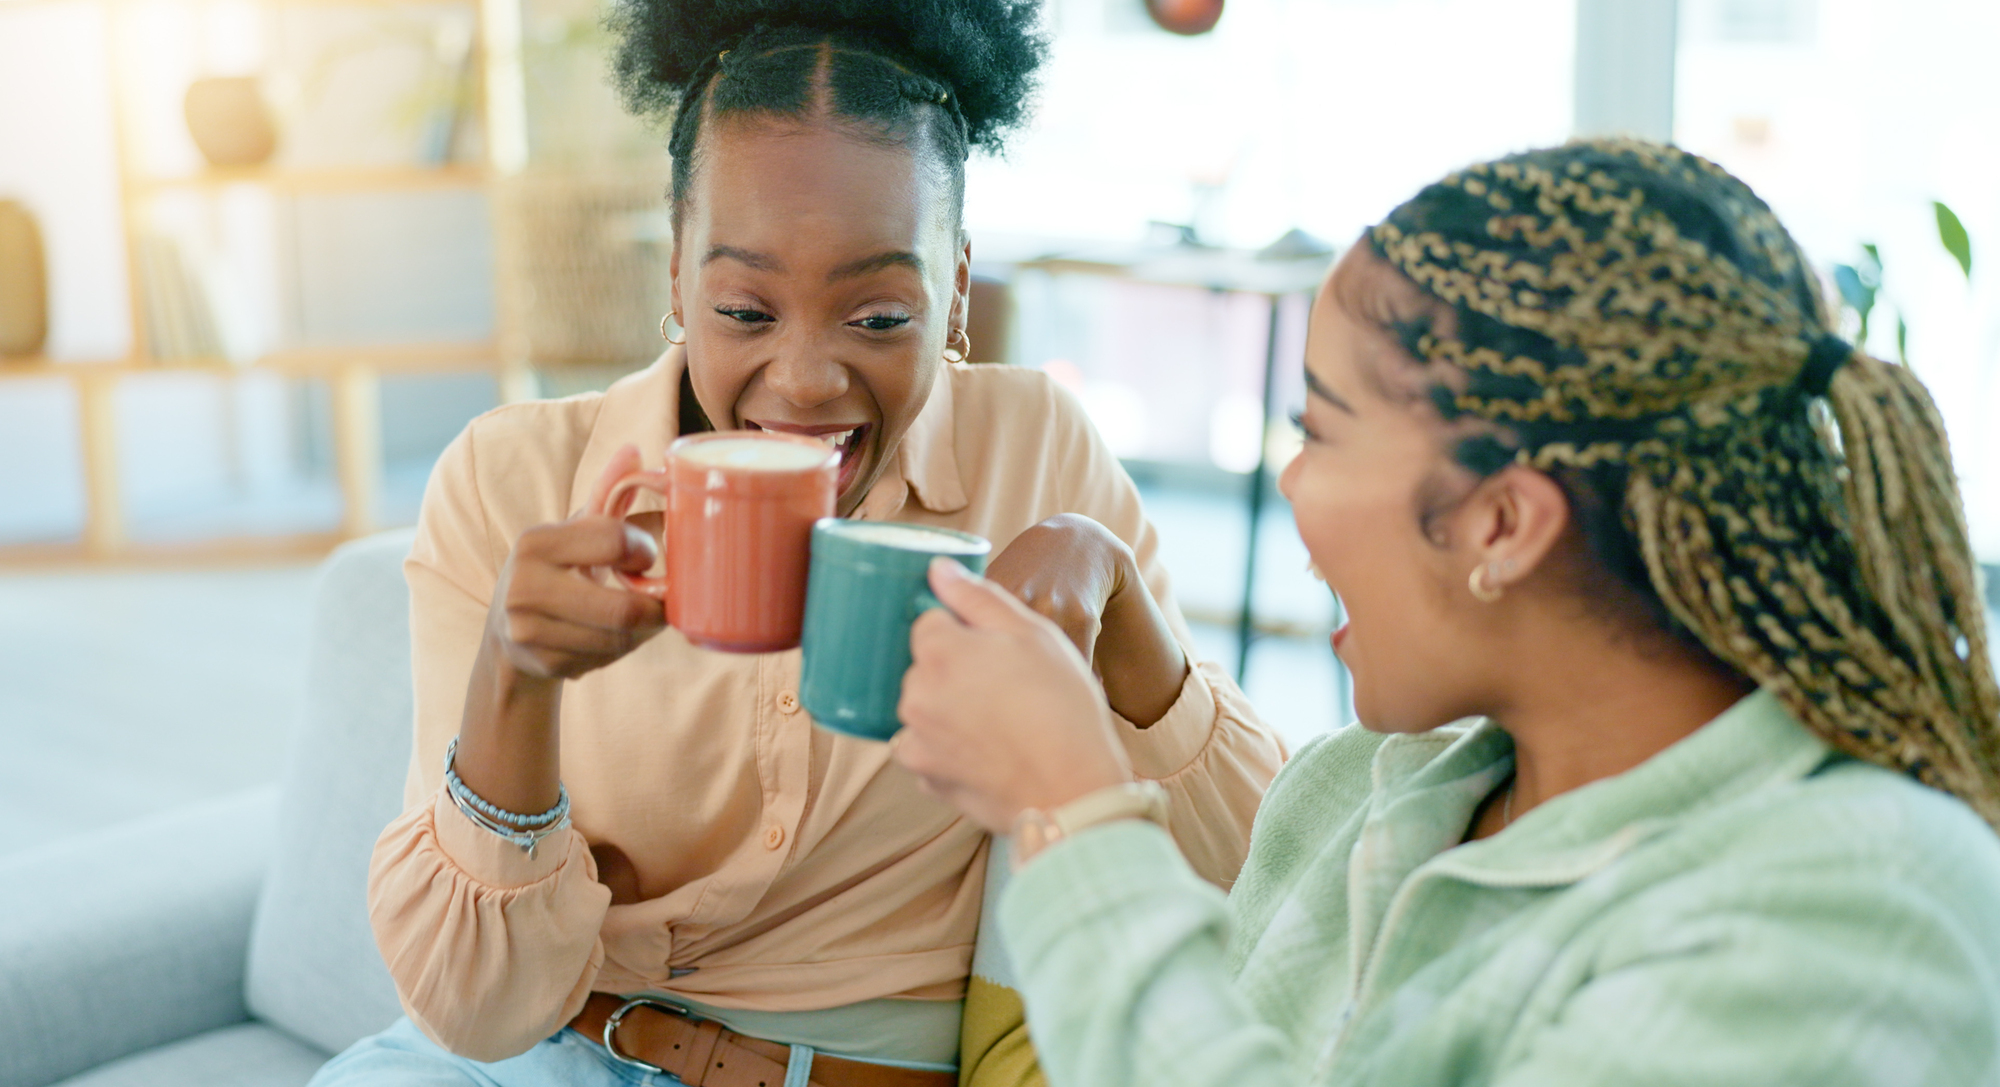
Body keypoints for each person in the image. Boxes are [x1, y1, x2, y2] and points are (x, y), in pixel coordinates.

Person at [310, 3, 1285, 1084]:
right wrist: (514, 678)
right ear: (676, 271)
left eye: (876, 317)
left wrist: (1125, 625)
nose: (807, 378)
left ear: (954, 286)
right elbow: (470, 1013)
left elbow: (1263, 890)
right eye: (743, 308)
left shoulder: (1035, 453)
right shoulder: (513, 479)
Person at [893, 139, 2000, 1085]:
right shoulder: (1356, 793)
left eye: (1319, 431)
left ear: (1502, 524)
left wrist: (1065, 810)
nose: (1290, 482)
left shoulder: (1854, 908)